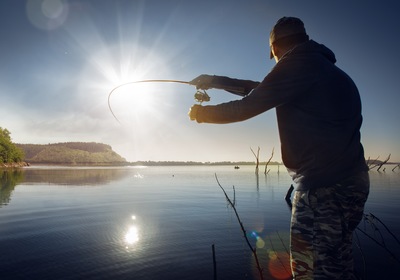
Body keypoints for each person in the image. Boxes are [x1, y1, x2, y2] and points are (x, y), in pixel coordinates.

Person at [188, 17, 369, 280]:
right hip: (351, 185)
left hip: (322, 189)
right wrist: (214, 80)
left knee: (312, 272)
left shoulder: (297, 64)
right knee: (337, 265)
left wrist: (201, 114)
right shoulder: (323, 69)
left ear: (274, 48)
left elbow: (248, 105)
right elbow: (265, 89)